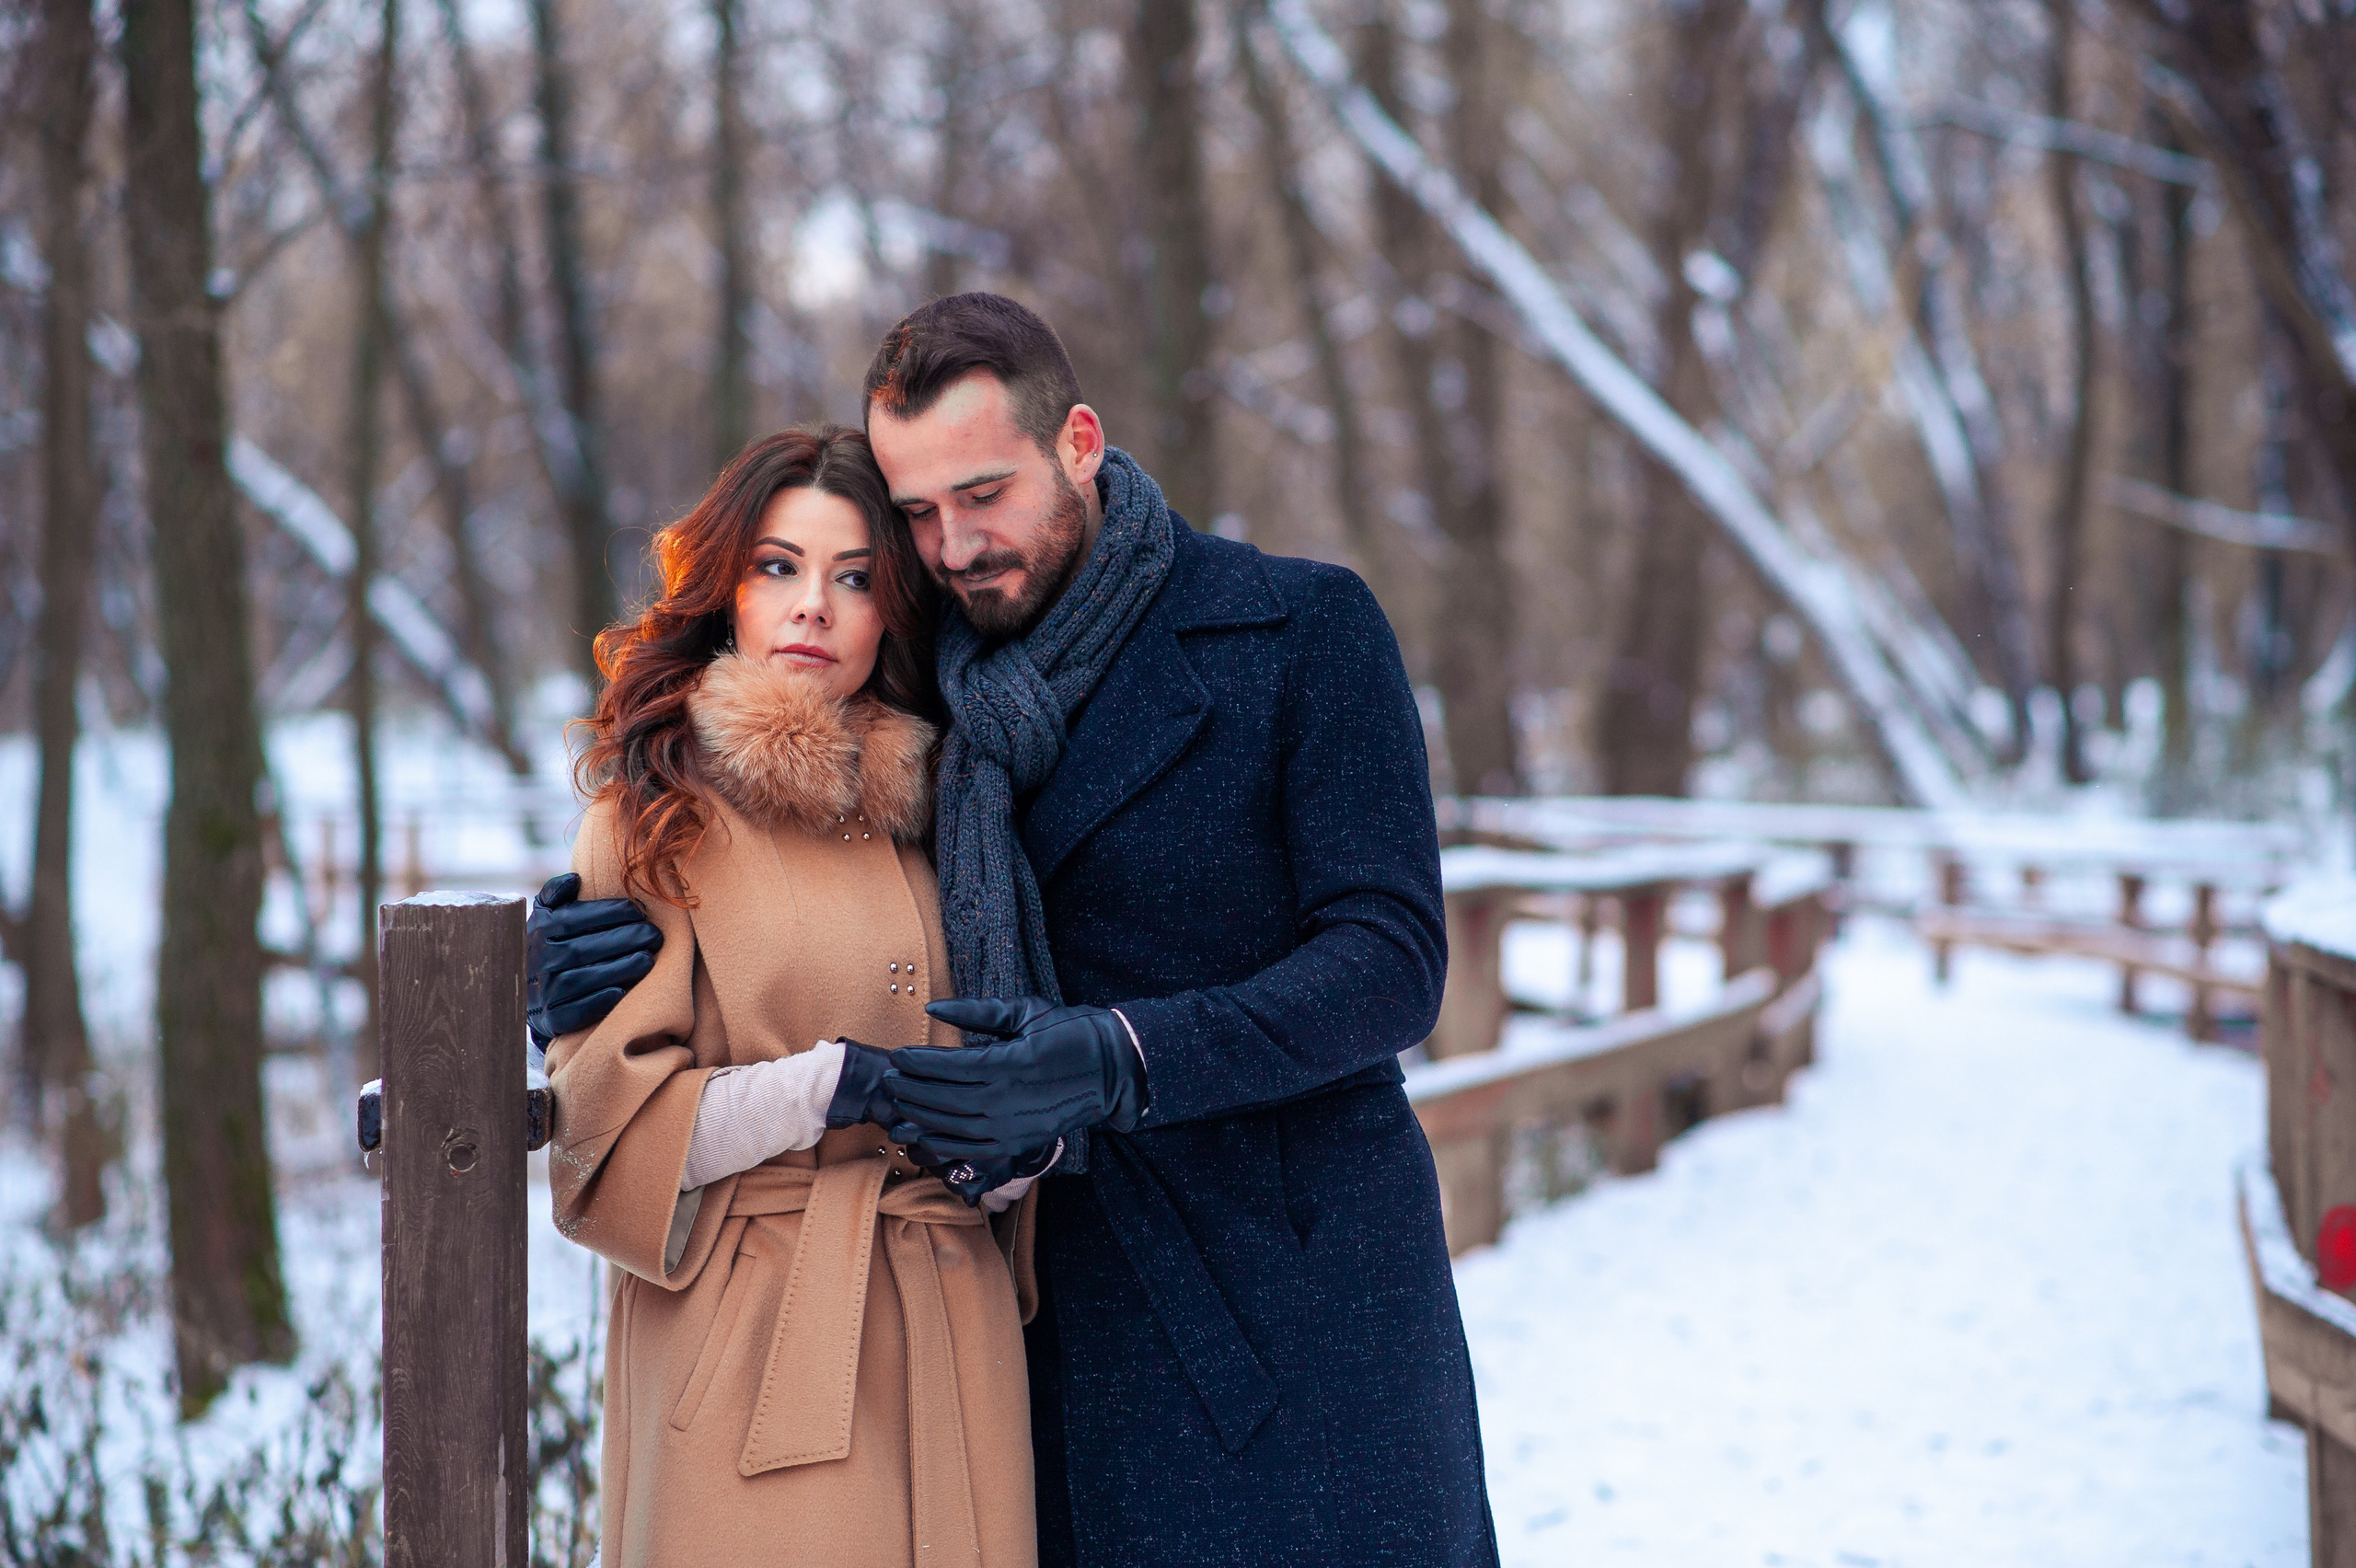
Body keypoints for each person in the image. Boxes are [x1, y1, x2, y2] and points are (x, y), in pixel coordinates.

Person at [529, 296, 1499, 1566]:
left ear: (1080, 444)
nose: (954, 544)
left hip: (1293, 1298)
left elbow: (1390, 962)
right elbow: (788, 882)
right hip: (1032, 1321)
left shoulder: (1298, 631)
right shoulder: (931, 710)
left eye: (982, 494)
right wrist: (571, 957)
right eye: (916, 514)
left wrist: (1119, 1057)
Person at [541, 424, 1049, 1568]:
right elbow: (602, 1142)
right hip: (753, 1339)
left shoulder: (950, 818)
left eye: (855, 577)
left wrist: (1010, 1136)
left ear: (894, 615)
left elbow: (1016, 1056)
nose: (813, 606)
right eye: (779, 567)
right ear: (726, 591)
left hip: (953, 1332)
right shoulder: (650, 820)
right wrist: (831, 1087)